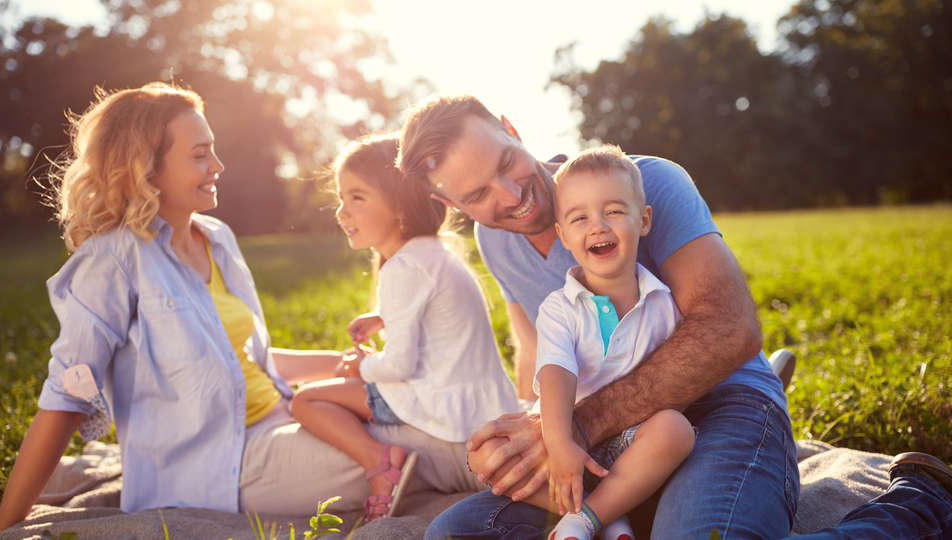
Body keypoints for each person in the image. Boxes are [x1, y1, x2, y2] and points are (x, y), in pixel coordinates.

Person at [397, 93, 952, 540]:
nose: (512, 193)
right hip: (608, 441)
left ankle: (915, 506)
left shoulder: (645, 183)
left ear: (511, 128)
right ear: (453, 206)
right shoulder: (495, 241)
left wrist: (576, 427)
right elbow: (540, 350)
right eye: (479, 193)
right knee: (458, 530)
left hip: (721, 402)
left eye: (505, 162)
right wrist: (529, 435)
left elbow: (728, 330)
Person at [0, 84, 482, 534]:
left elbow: (248, 362)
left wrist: (346, 366)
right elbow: (66, 399)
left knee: (428, 417)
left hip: (281, 417)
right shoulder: (110, 261)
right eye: (200, 155)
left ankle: (530, 460)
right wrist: (8, 524)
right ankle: (530, 479)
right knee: (422, 448)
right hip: (219, 465)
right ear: (147, 168)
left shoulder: (217, 239)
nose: (218, 165)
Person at [468, 145, 695, 540]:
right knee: (483, 453)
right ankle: (608, 516)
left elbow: (677, 380)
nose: (598, 226)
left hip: (632, 442)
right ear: (564, 236)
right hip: (567, 437)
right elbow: (556, 372)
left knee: (676, 430)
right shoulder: (560, 307)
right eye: (579, 218)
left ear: (643, 221)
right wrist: (559, 444)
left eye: (614, 212)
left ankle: (589, 517)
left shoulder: (662, 302)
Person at [289, 133, 519, 522]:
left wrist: (359, 367)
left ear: (399, 206)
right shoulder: (434, 252)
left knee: (306, 400)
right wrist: (383, 316)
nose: (342, 211)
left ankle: (381, 463)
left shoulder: (403, 267)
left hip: (445, 414)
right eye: (341, 198)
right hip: (483, 406)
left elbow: (398, 366)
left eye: (356, 198)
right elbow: (434, 313)